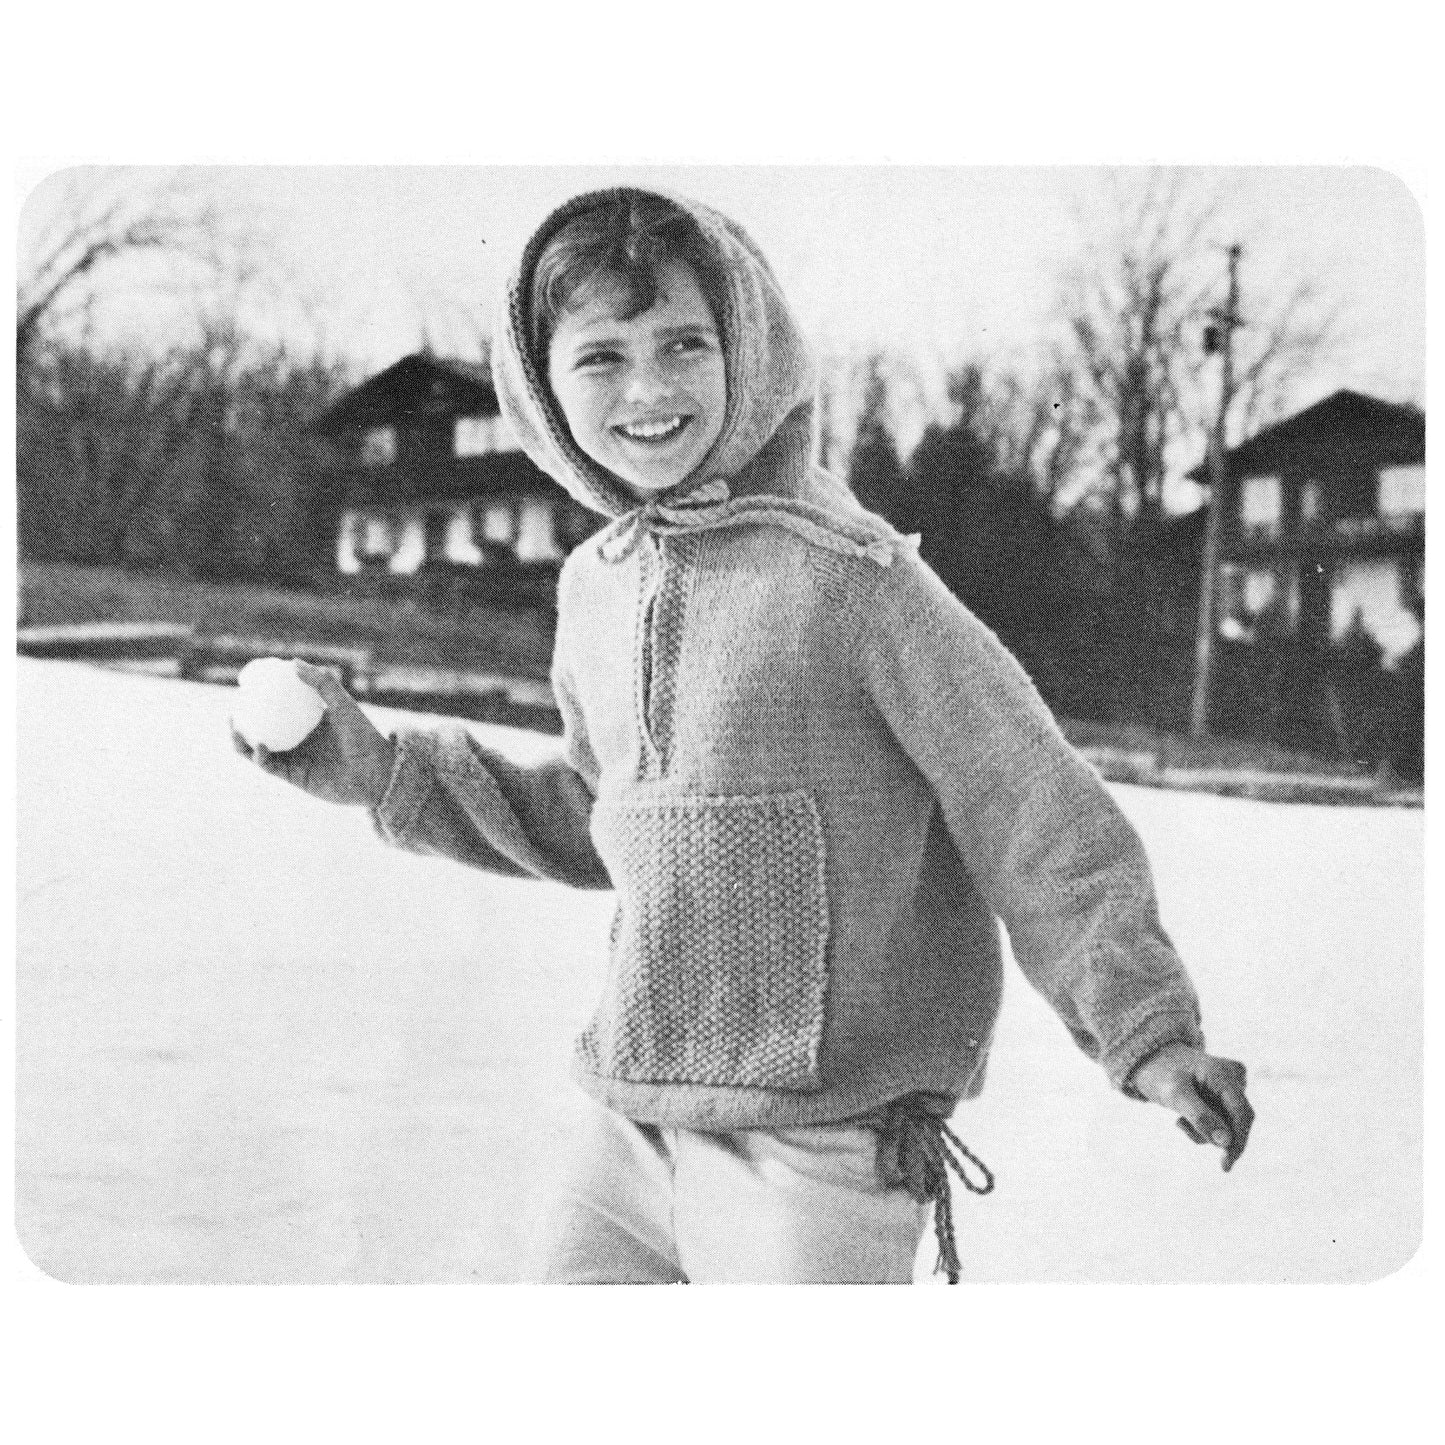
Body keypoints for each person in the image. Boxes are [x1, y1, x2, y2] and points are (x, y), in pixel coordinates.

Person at [233, 187, 1254, 1284]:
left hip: (826, 1137)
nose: (649, 388)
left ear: (749, 350)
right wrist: (386, 771)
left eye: (684, 343)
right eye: (601, 356)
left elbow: (1023, 798)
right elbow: (600, 816)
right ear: (539, 387)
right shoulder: (593, 587)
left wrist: (1144, 1025)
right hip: (633, 1110)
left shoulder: (853, 577)